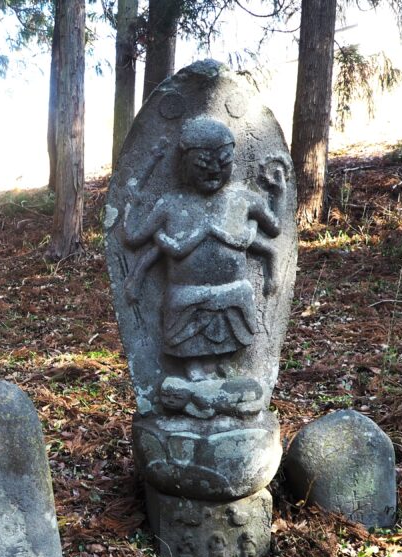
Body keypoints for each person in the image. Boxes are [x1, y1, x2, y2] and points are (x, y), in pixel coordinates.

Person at [122, 116, 286, 411]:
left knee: (232, 323)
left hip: (233, 292)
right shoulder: (171, 204)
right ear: (184, 164)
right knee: (187, 324)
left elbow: (274, 229)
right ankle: (194, 374)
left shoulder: (244, 199)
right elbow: (134, 237)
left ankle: (220, 372)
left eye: (223, 162)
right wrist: (134, 199)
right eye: (202, 164)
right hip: (187, 295)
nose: (213, 170)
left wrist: (279, 191)